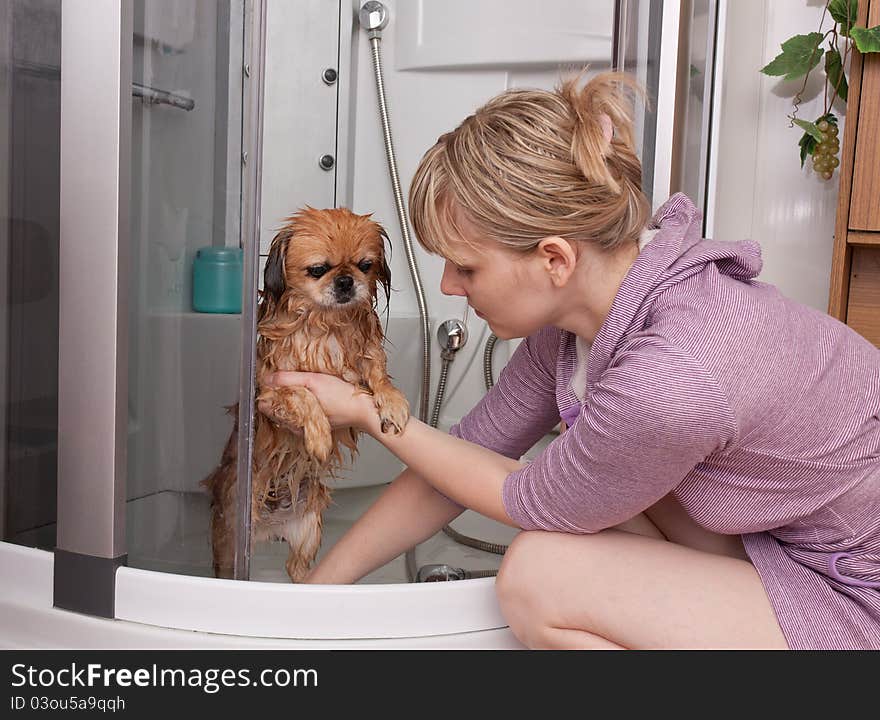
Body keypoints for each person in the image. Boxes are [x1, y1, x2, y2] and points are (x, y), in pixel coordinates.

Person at [260, 72, 880, 650]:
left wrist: (370, 415)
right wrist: (315, 601)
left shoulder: (673, 367)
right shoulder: (584, 323)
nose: (448, 286)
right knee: (606, 496)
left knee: (539, 575)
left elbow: (533, 499)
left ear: (556, 260)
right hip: (784, 545)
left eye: (466, 267)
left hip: (857, 595)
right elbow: (456, 464)